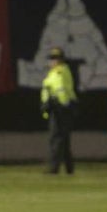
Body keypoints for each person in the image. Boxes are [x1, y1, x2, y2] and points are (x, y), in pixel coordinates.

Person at [40, 47, 78, 175]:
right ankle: (69, 167)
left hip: (60, 110)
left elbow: (61, 91)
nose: (52, 61)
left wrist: (58, 104)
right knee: (64, 140)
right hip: (62, 108)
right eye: (51, 59)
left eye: (54, 59)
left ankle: (53, 168)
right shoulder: (58, 72)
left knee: (56, 139)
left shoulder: (59, 73)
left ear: (59, 60)